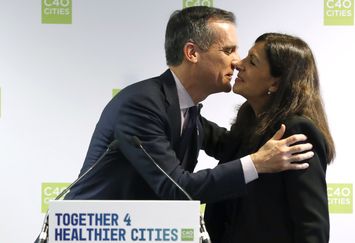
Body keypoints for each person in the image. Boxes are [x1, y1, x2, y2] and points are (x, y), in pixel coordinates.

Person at [64, 7, 314, 203]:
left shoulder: (187, 110)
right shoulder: (142, 105)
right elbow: (176, 188)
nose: (237, 62)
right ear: (192, 53)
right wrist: (257, 163)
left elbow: (231, 146)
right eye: (228, 50)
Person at [204, 33, 336, 243]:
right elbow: (221, 143)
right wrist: (182, 107)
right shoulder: (251, 123)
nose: (238, 64)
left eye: (252, 61)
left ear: (275, 83)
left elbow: (311, 225)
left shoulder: (295, 130)